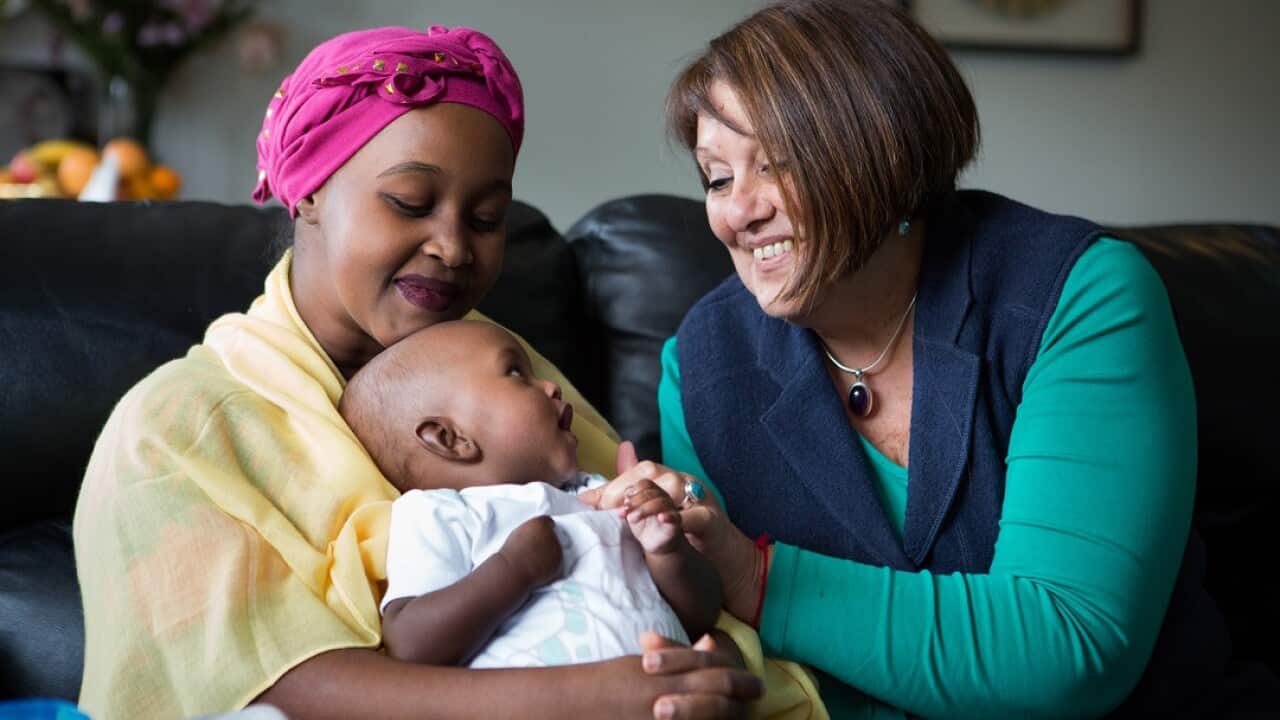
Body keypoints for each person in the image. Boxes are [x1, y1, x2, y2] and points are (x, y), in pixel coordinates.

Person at [596, 0, 1280, 717]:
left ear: (885, 153)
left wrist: (760, 578)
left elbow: (1071, 646)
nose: (739, 213)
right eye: (717, 177)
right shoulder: (703, 364)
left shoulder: (1083, 296)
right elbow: (724, 633)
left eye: (776, 163)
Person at [73, 25, 771, 720]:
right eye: (410, 201)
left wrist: (697, 675)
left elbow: (677, 603)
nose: (453, 246)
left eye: (489, 218)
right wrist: (590, 698)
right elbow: (257, 685)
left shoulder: (518, 373)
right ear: (309, 190)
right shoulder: (174, 429)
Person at [339, 320, 720, 667]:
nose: (551, 386)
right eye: (516, 373)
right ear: (450, 438)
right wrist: (513, 570)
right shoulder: (439, 513)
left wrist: (667, 551)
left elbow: (700, 615)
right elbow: (410, 644)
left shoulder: (597, 493)